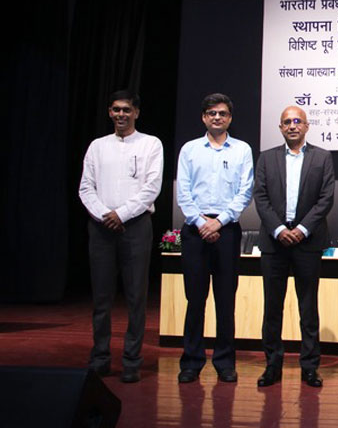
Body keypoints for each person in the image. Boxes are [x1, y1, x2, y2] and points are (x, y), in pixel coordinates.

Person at [78, 90, 163, 383]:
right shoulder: (97, 146)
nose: (121, 115)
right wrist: (105, 214)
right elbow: (85, 187)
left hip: (136, 226)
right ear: (109, 113)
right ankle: (100, 358)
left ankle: (131, 361)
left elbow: (152, 188)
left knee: (136, 297)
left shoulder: (151, 144)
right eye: (116, 110)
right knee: (101, 298)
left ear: (136, 112)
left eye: (126, 110)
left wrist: (122, 214)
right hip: (101, 227)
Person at [253, 106, 334, 388]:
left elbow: (326, 199)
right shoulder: (267, 158)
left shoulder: (322, 157)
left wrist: (301, 229)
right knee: (272, 308)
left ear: (307, 126)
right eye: (287, 121)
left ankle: (309, 367)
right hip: (274, 242)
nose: (292, 126)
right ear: (280, 127)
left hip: (307, 242)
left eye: (297, 121)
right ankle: (272, 366)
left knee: (308, 308)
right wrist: (278, 229)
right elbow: (260, 197)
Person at [175, 93, 253, 383]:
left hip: (227, 230)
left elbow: (245, 192)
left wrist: (219, 222)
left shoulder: (242, 150)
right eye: (212, 113)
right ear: (203, 117)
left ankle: (224, 362)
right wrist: (201, 223)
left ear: (230, 118)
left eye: (222, 113)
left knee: (225, 300)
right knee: (195, 300)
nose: (217, 117)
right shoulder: (190, 149)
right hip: (195, 231)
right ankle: (191, 361)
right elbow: (183, 193)